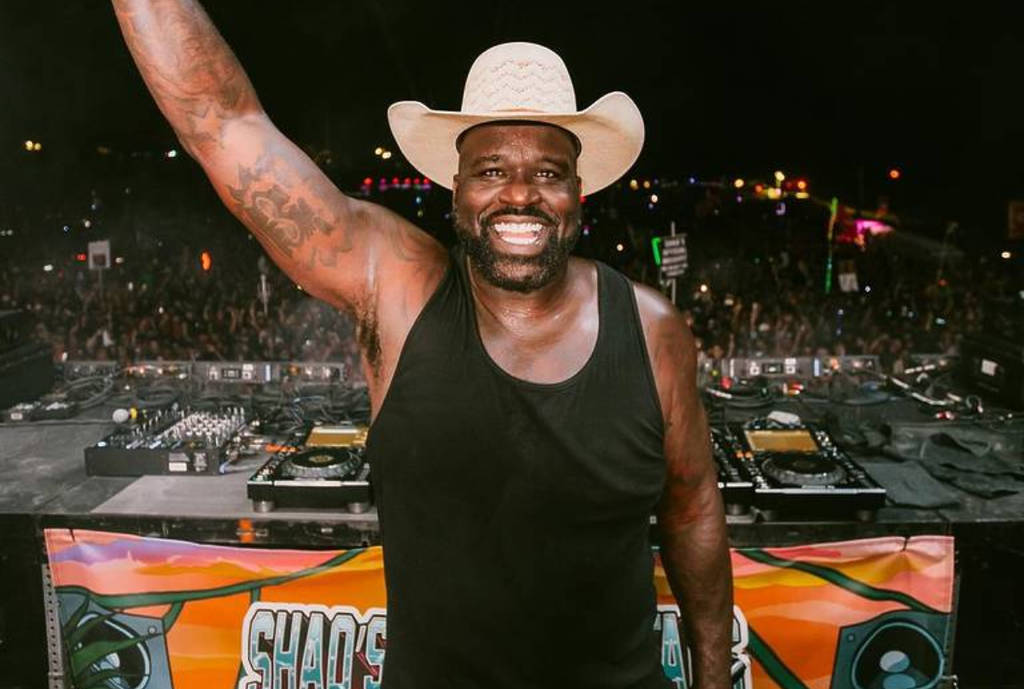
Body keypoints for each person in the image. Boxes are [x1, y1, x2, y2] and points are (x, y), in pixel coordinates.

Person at [111, 3, 733, 686]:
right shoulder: (399, 291)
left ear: (577, 192)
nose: (519, 194)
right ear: (456, 190)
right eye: (490, 171)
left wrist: (713, 679)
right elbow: (224, 125)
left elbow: (693, 507)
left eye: (547, 173)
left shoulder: (651, 328)